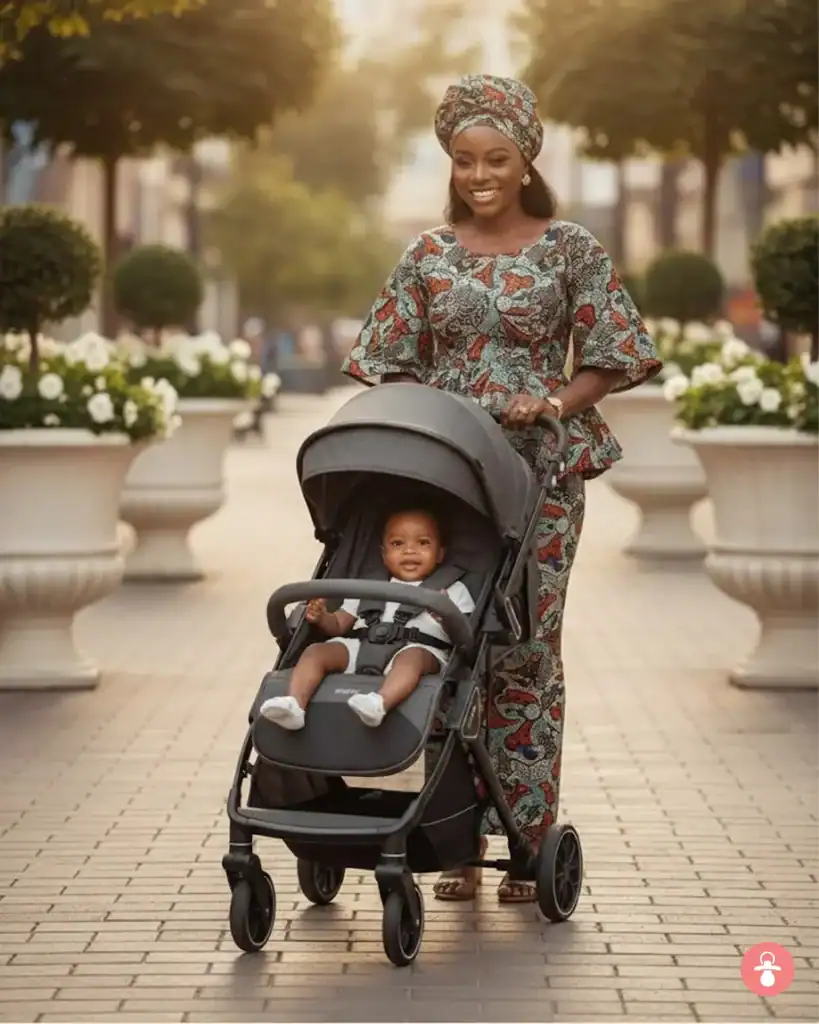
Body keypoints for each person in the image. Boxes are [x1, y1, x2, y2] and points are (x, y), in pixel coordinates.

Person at [341, 74, 662, 902]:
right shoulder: (426, 254)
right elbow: (388, 360)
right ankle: (449, 835)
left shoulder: (569, 249)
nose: (478, 175)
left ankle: (523, 837)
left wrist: (551, 400)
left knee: (522, 649)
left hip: (539, 473)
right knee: (445, 641)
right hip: (448, 474)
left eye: (495, 159)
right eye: (462, 161)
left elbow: (611, 353)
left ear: (526, 162)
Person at [260, 508, 475, 730]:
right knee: (316, 651)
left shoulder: (453, 590)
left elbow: (465, 636)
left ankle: (380, 703)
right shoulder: (369, 587)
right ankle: (295, 704)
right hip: (360, 645)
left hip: (420, 649)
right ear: (383, 554)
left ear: (440, 553)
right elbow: (340, 624)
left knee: (413, 659)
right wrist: (322, 617)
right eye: (397, 544)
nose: (410, 550)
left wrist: (444, 617)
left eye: (423, 543)